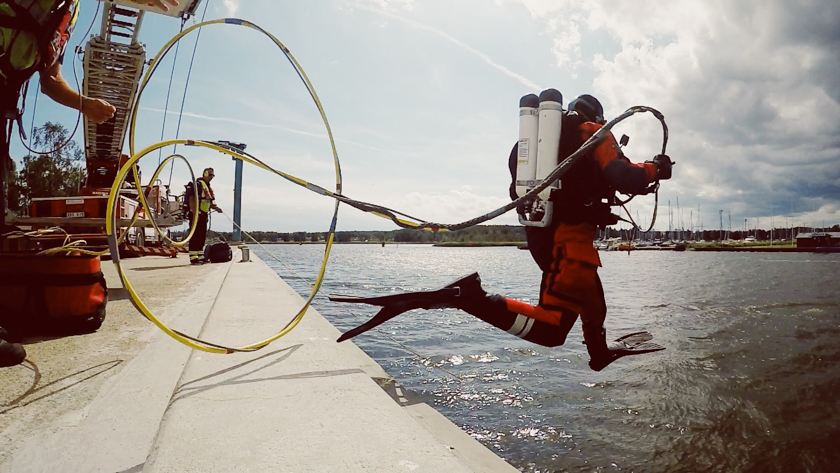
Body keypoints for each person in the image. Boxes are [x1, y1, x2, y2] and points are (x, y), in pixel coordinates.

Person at [331, 94, 674, 371]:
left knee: (593, 299)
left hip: (544, 238)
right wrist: (654, 168)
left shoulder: (544, 147)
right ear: (597, 115)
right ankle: (469, 298)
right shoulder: (593, 133)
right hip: (570, 246)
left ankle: (598, 352)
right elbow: (622, 175)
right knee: (553, 330)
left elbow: (527, 190)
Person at [186, 167, 221, 265]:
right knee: (195, 235)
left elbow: (208, 200)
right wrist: (194, 212)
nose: (211, 177)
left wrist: (216, 208)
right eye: (210, 175)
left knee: (202, 236)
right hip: (196, 214)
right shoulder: (197, 185)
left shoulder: (207, 187)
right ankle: (193, 257)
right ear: (204, 174)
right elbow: (192, 199)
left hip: (204, 214)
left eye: (212, 176)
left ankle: (200, 256)